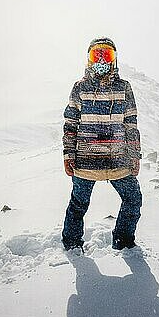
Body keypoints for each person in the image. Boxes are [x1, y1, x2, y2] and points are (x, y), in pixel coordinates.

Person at [61, 37, 143, 252]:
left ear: (114, 59)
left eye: (106, 55)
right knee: (78, 206)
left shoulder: (124, 88)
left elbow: (131, 124)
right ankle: (71, 244)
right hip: (86, 163)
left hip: (119, 162)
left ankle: (123, 241)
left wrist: (134, 156)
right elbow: (70, 124)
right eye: (95, 55)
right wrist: (68, 155)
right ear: (88, 59)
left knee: (133, 200)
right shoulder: (80, 88)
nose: (100, 61)